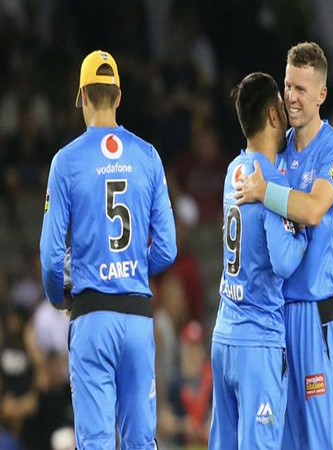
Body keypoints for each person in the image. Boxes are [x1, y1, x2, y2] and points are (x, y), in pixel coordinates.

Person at [39, 50, 177, 449]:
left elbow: (50, 258)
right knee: (140, 440)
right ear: (119, 97)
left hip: (92, 318)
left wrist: (59, 298)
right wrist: (129, 269)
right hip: (136, 318)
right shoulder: (147, 156)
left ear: (81, 95)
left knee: (96, 441)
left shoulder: (66, 162)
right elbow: (167, 249)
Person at [236, 42, 333, 449]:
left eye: (302, 89)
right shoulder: (277, 148)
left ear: (321, 94)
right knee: (282, 438)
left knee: (320, 437)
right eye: (287, 86)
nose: (291, 97)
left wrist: (266, 191)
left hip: (317, 313)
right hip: (275, 314)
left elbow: (316, 209)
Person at [209, 72, 308, 449]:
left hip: (224, 336)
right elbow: (283, 262)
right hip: (258, 340)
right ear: (272, 115)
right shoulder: (270, 179)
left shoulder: (233, 170)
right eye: (282, 105)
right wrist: (302, 234)